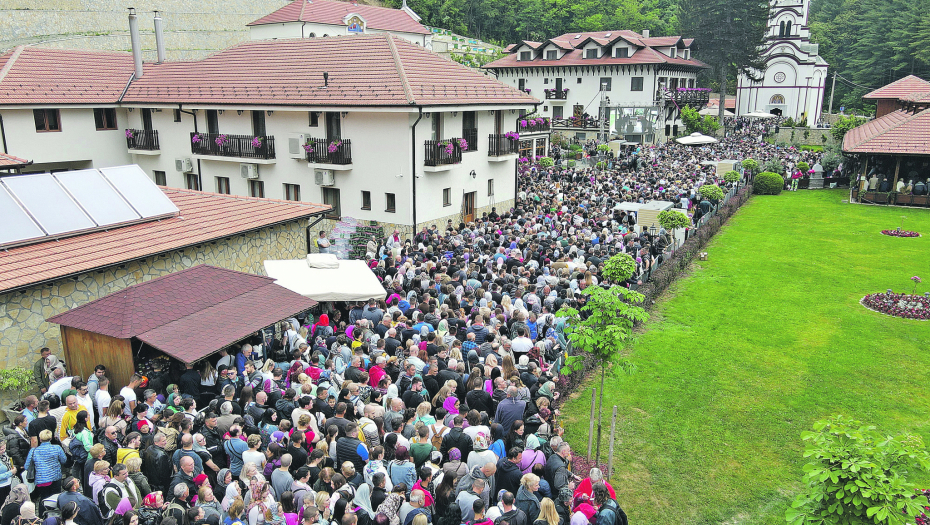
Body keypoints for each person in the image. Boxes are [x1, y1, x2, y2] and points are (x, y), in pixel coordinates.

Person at [24, 429, 67, 502]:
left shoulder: (33, 451)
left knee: (44, 498)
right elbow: (64, 460)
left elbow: (26, 466)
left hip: (41, 480)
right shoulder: (57, 448)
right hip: (55, 478)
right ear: (51, 438)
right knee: (56, 498)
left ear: (40, 439)